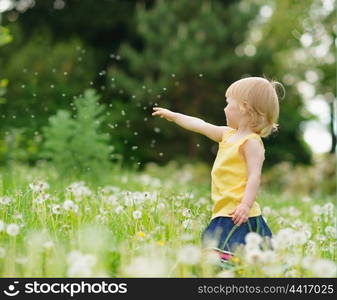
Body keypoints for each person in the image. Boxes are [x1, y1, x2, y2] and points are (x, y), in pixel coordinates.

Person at [152, 76, 284, 258]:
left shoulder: (251, 143)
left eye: (228, 103)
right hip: (223, 210)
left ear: (244, 108)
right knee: (224, 255)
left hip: (239, 214)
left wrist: (245, 205)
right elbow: (200, 125)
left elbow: (255, 176)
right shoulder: (227, 135)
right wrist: (174, 116)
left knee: (226, 256)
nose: (224, 108)